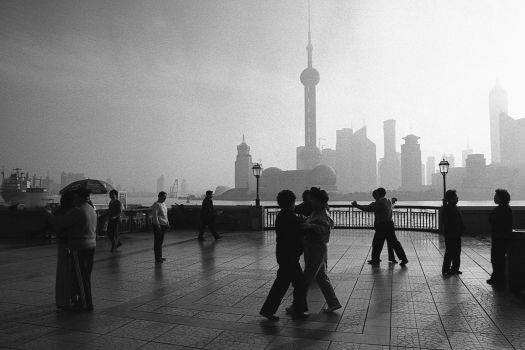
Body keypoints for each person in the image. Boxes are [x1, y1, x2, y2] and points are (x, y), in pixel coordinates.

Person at [260, 190, 308, 321]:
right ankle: (298, 309)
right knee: (296, 283)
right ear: (291, 202)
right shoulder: (292, 218)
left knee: (285, 283)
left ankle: (270, 310)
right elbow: (301, 231)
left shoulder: (282, 215)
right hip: (290, 256)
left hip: (284, 254)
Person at [299, 187, 342, 313]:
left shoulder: (322, 214)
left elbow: (325, 229)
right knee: (321, 277)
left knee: (306, 278)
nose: (311, 202)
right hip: (314, 248)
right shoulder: (316, 212)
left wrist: (310, 225)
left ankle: (297, 305)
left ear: (319, 201)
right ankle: (333, 302)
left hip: (316, 249)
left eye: (313, 200)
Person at [55, 188, 97, 312]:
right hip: (91, 245)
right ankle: (84, 302)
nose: (74, 199)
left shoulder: (78, 211)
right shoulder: (91, 210)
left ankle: (84, 305)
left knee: (79, 277)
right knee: (85, 277)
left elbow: (60, 223)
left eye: (76, 196)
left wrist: (47, 214)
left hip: (79, 246)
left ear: (79, 197)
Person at [352, 188, 408, 265]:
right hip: (389, 224)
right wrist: (394, 199)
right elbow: (393, 200)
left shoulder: (379, 203)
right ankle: (404, 258)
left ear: (378, 194)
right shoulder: (388, 201)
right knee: (395, 243)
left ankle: (375, 259)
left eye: (375, 194)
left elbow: (367, 208)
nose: (374, 196)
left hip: (381, 226)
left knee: (377, 243)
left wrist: (356, 205)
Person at [54, 191, 75, 310]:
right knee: (69, 273)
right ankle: (67, 299)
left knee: (62, 273)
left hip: (62, 243)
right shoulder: (71, 213)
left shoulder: (58, 212)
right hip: (70, 244)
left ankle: (62, 299)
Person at [487, 189, 513, 286]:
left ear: (501, 198)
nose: (494, 198)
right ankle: (498, 277)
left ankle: (498, 278)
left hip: (499, 238)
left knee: (497, 259)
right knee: (498, 259)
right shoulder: (506, 209)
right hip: (501, 238)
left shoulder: (501, 209)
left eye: (496, 196)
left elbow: (492, 220)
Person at [441, 189, 464, 276]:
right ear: (451, 199)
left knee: (457, 252)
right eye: (455, 197)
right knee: (450, 252)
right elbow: (446, 221)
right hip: (451, 234)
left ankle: (455, 268)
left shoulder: (453, 207)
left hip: (456, 234)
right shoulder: (448, 208)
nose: (457, 198)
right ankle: (446, 269)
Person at [152, 191, 169, 263]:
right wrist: (157, 225)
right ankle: (157, 257)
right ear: (159, 196)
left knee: (161, 241)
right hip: (158, 225)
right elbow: (155, 216)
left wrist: (168, 222)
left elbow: (165, 215)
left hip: (164, 224)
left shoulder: (164, 204)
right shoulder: (156, 205)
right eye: (163, 197)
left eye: (165, 197)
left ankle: (160, 256)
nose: (165, 198)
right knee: (157, 242)